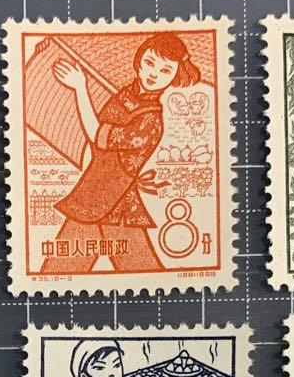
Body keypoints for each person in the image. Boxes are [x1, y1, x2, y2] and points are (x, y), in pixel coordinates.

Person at [41, 33, 202, 274]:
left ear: (174, 76)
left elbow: (97, 134)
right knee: (60, 271)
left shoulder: (151, 121)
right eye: (149, 62)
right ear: (139, 60)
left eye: (165, 71)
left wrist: (80, 87)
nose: (154, 74)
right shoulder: (126, 94)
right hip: (94, 196)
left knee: (144, 277)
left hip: (115, 203)